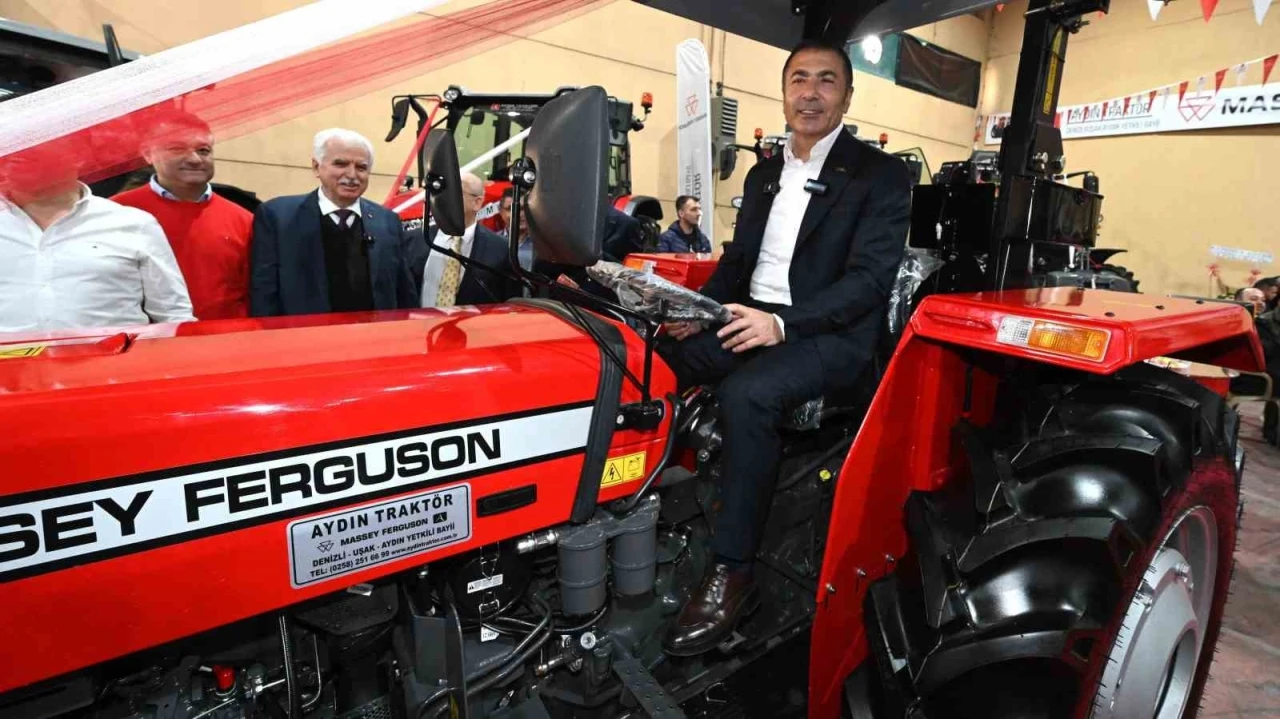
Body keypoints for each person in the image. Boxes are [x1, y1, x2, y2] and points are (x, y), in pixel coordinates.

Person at [657, 39, 911, 656]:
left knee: (748, 395)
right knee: (653, 361)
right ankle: (645, 507)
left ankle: (733, 571)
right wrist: (697, 311)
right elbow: (737, 263)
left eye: (826, 80)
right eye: (799, 79)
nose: (811, 93)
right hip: (748, 319)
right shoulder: (764, 173)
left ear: (847, 95)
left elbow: (868, 283)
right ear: (783, 92)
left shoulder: (880, 175)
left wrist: (782, 324)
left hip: (830, 336)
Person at [0, 140, 194, 332]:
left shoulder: (133, 223)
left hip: (115, 352)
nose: (17, 154)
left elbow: (174, 314)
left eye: (33, 145)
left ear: (77, 156)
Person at [249, 128, 418, 316]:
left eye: (361, 167)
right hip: (304, 332)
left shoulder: (387, 221)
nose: (352, 175)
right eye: (340, 164)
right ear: (316, 167)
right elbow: (263, 294)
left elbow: (405, 293)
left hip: (374, 332)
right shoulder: (278, 217)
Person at [113, 112, 254, 320]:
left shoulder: (244, 220)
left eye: (203, 150)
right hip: (145, 336)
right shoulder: (115, 212)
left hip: (226, 335)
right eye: (177, 149)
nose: (194, 159)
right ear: (147, 154)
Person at [418, 172, 520, 307]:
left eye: (455, 192)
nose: (445, 198)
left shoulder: (501, 249)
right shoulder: (414, 240)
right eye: (443, 191)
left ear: (477, 202)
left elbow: (510, 305)